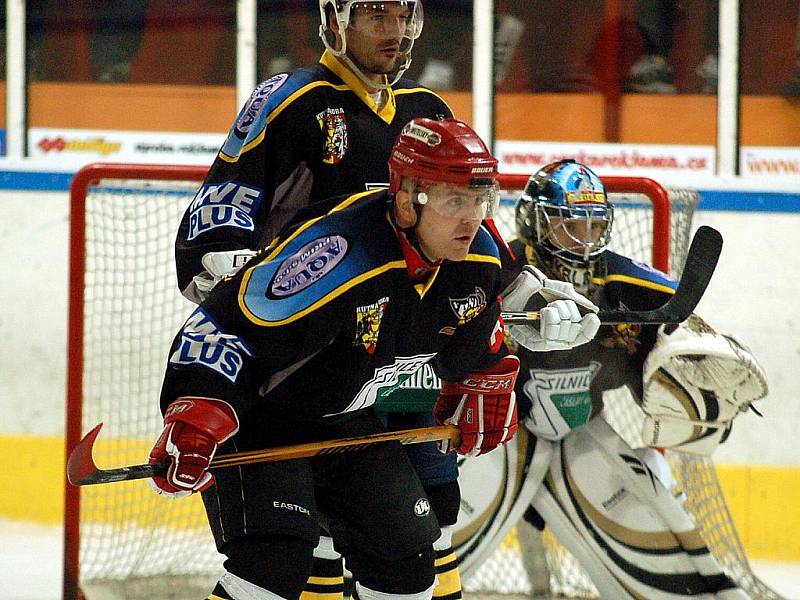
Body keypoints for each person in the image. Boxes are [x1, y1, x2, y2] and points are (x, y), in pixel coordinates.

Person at [149, 119, 600, 600]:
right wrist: (197, 413)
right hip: (262, 420)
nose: (471, 218)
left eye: (479, 200)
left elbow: (475, 335)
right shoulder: (337, 251)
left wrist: (485, 381)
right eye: (454, 201)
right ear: (407, 198)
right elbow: (222, 325)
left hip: (347, 422)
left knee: (404, 558)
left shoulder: (478, 259)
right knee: (275, 563)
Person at [174, 2, 505, 597]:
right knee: (287, 553)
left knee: (422, 526)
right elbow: (226, 201)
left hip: (391, 355)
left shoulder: (429, 112)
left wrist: (514, 307)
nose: (396, 31)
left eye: (404, 15)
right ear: (334, 18)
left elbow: (476, 245)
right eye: (377, 14)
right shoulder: (293, 97)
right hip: (298, 341)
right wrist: (223, 264)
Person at [454, 159, 769, 598]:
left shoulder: (622, 279)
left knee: (664, 522)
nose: (584, 241)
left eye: (594, 227)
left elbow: (682, 320)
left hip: (583, 432)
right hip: (499, 432)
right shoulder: (499, 272)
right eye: (570, 226)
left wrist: (697, 360)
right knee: (436, 539)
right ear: (535, 224)